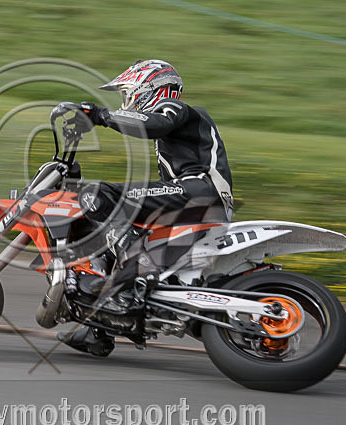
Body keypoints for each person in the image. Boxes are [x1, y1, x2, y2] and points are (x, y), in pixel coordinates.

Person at [58, 59, 235, 357]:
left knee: (98, 194)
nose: (126, 101)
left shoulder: (176, 108)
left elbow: (155, 125)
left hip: (200, 191)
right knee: (108, 226)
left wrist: (101, 115)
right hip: (190, 197)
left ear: (151, 86)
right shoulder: (175, 129)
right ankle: (96, 327)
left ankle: (135, 274)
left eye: (128, 92)